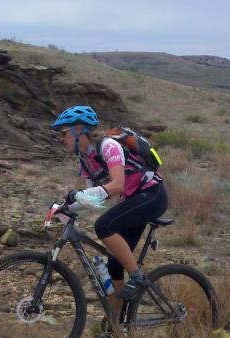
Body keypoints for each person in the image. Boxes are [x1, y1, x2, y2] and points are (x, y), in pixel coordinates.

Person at [52, 105, 167, 307]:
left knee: (104, 226)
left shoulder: (108, 146)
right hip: (134, 200)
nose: (60, 139)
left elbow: (117, 185)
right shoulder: (85, 160)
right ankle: (117, 326)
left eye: (63, 133)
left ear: (78, 130)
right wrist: (65, 208)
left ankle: (137, 277)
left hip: (152, 195)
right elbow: (92, 201)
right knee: (114, 263)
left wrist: (78, 195)